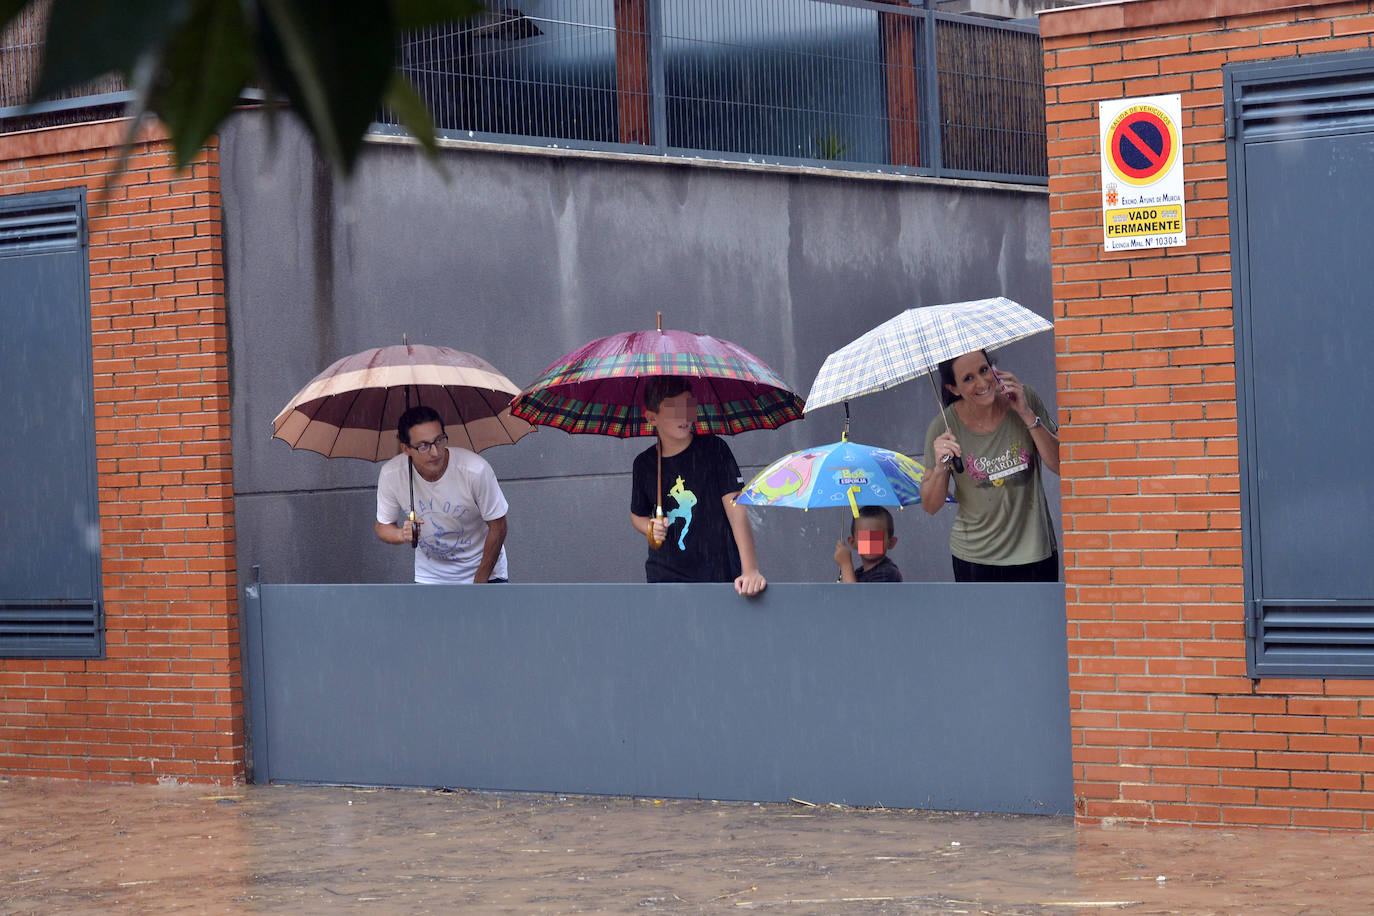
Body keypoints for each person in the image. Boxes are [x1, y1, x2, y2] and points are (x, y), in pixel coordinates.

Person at [920, 349, 1060, 582]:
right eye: (968, 378)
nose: (982, 382)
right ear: (953, 389)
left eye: (984, 370)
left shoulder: (1026, 398)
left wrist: (1026, 413)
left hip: (1034, 553)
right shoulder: (942, 427)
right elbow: (931, 505)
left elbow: (1061, 465)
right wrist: (941, 467)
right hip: (974, 559)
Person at [629, 376, 767, 596]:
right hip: (665, 579)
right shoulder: (644, 464)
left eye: (688, 406)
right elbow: (637, 515)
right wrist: (650, 527)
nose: (683, 415)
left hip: (717, 575)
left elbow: (736, 509)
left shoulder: (715, 450)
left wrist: (750, 569)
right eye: (673, 408)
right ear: (651, 417)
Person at [375, 405, 510, 583]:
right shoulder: (392, 474)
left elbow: (498, 526)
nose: (435, 452)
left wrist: (480, 582)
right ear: (406, 449)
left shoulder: (475, 470)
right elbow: (383, 526)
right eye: (423, 446)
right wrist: (402, 534)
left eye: (439, 440)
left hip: (485, 572)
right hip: (430, 577)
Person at [833, 506, 903, 583]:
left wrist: (845, 565)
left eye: (876, 536)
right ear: (853, 542)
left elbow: (854, 594)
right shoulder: (858, 573)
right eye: (864, 536)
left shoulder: (888, 573)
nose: (870, 541)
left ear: (891, 542)